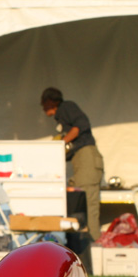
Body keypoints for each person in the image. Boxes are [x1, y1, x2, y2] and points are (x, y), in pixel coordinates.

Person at [40, 87, 104, 235]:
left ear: (50, 101)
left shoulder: (66, 106)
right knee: (79, 204)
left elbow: (81, 125)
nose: (43, 107)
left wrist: (61, 143)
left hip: (87, 158)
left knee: (88, 204)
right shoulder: (61, 117)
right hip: (80, 161)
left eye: (43, 103)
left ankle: (92, 244)